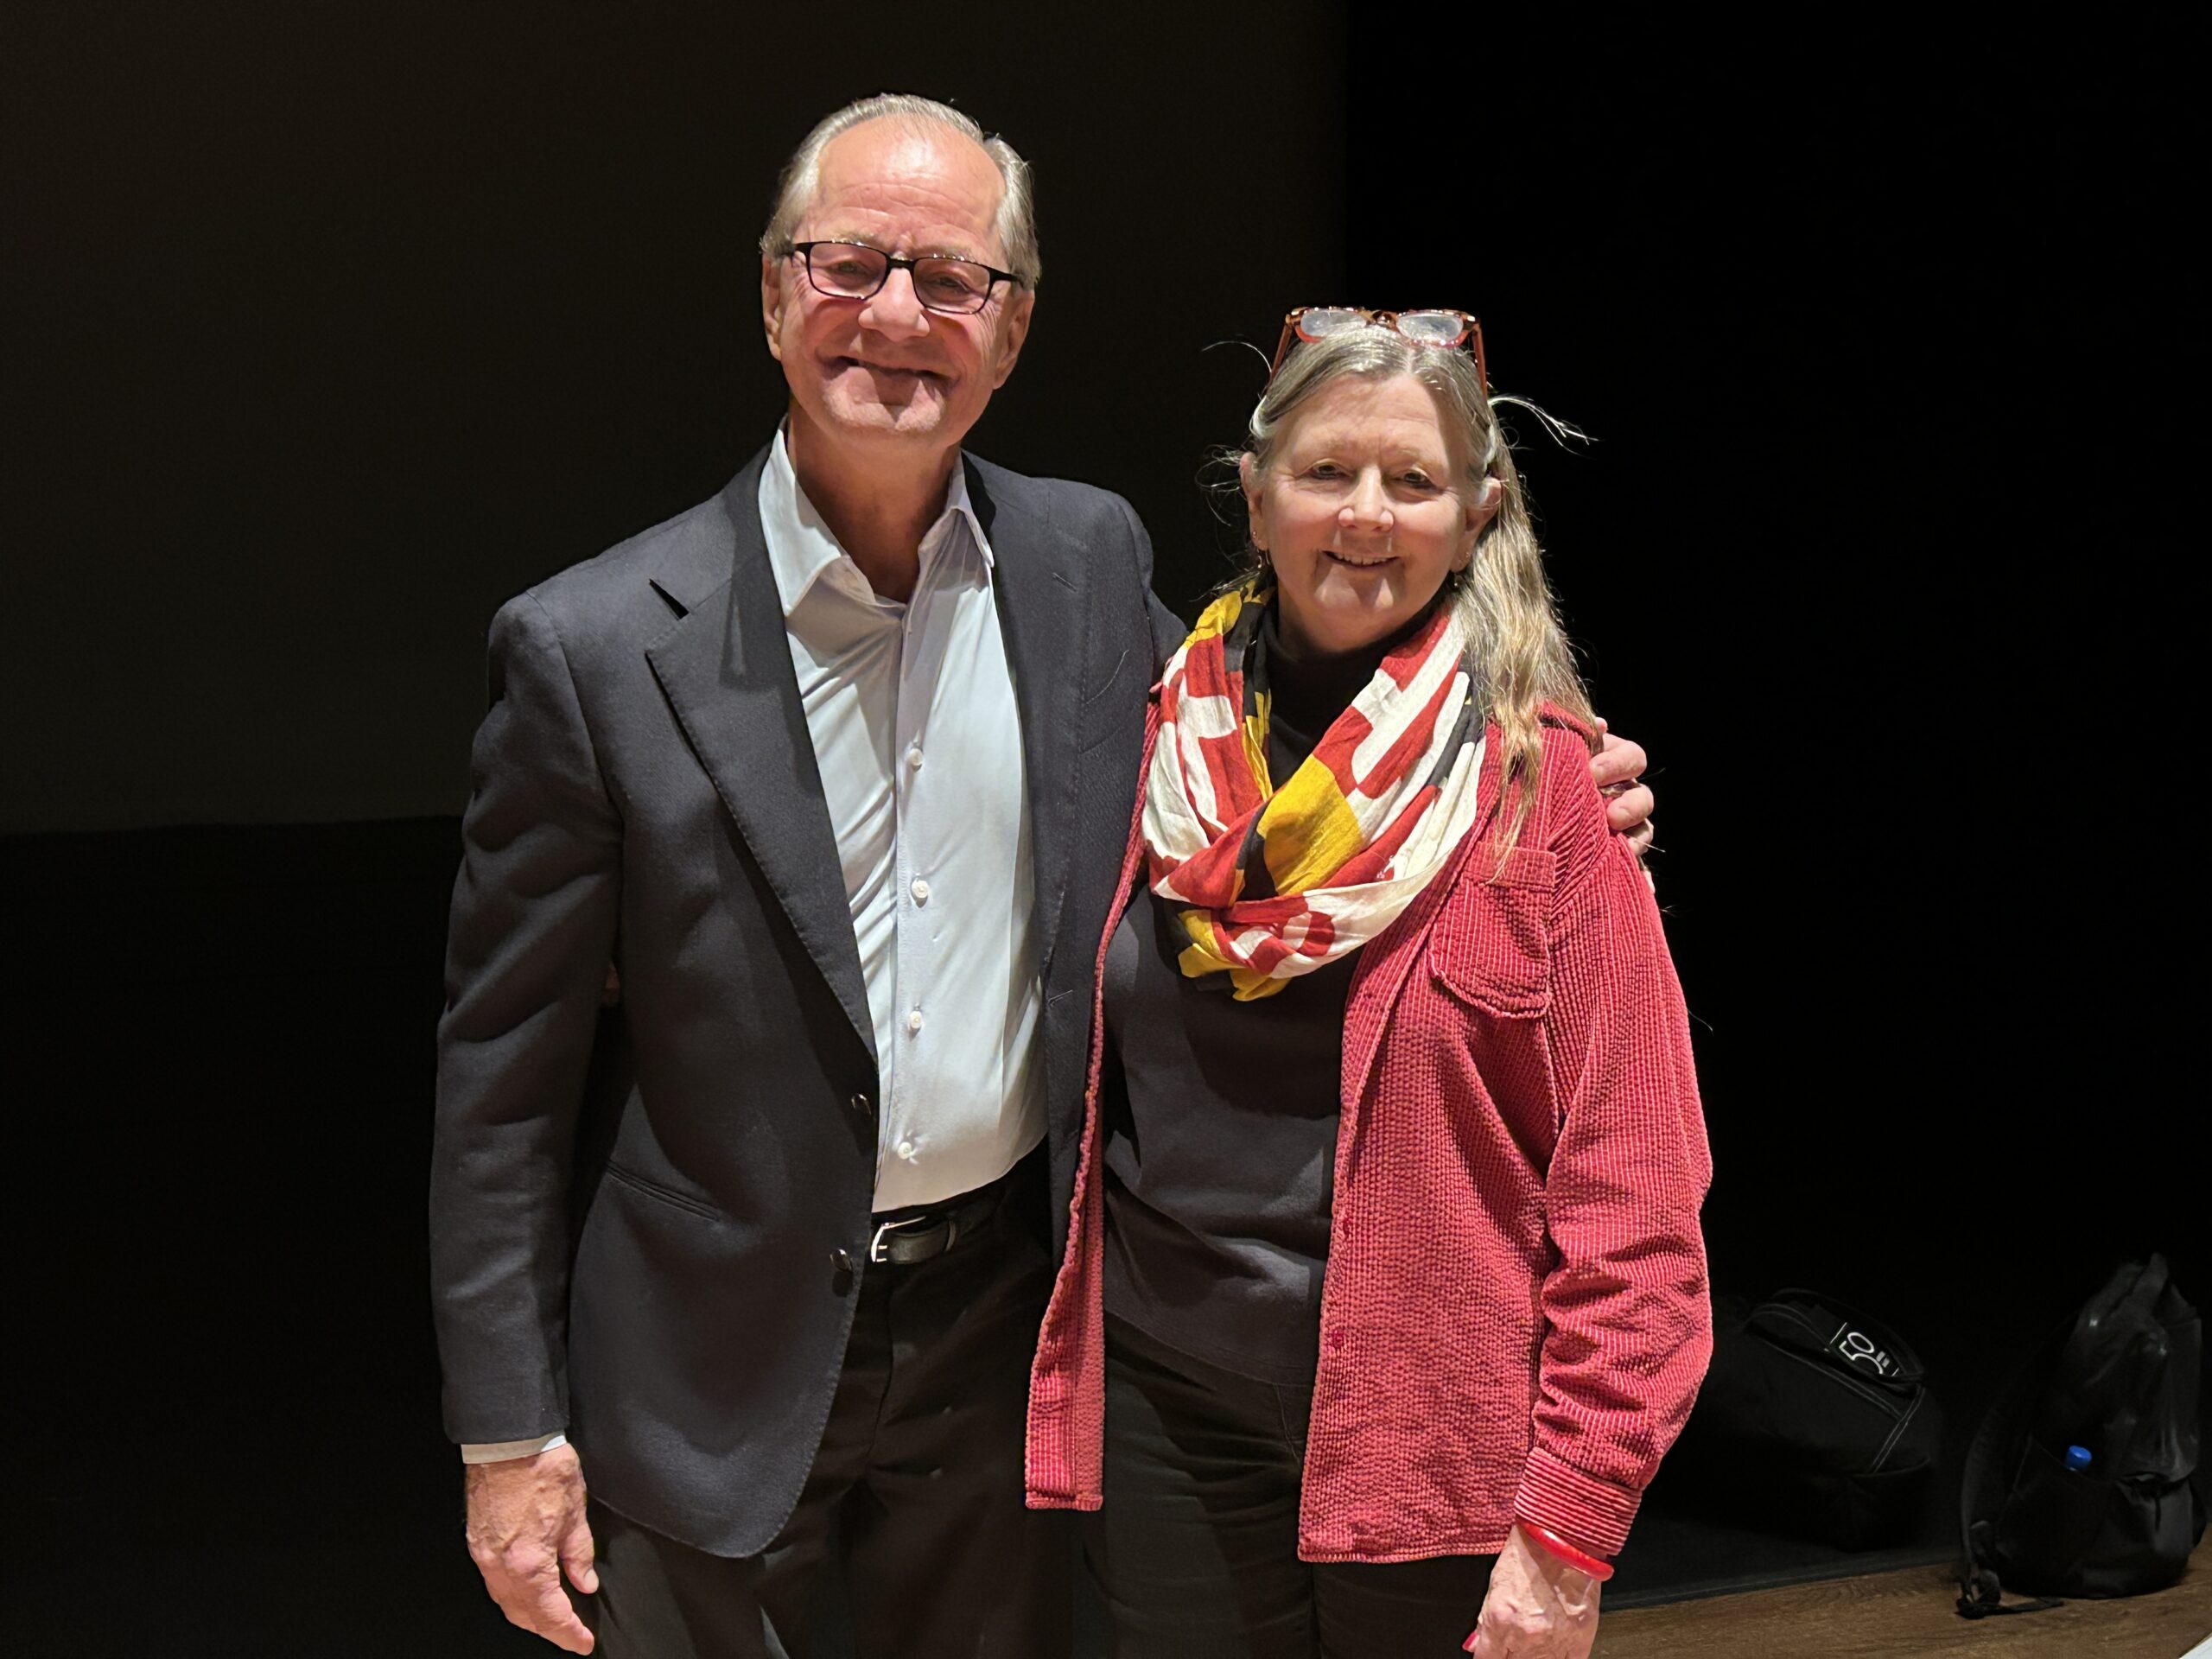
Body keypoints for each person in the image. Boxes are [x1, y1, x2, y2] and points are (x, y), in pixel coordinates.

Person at [433, 93, 1659, 1657]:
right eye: (849, 261)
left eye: (953, 280)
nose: (896, 313)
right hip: (704, 1366)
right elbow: (501, 1091)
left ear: (1010, 335)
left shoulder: (1082, 569)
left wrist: (1549, 771)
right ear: (767, 292)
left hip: (1006, 1344)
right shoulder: (590, 649)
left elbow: (1277, 767)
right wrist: (501, 1434)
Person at [1026, 311, 1712, 1658]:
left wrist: (1571, 1527)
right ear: (1256, 486)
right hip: (1170, 1403)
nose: (1366, 516)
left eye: (1413, 482)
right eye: (1330, 472)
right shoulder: (1145, 746)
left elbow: (1637, 1193)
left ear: (1476, 514)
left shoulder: (1545, 791)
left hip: (1436, 1428)